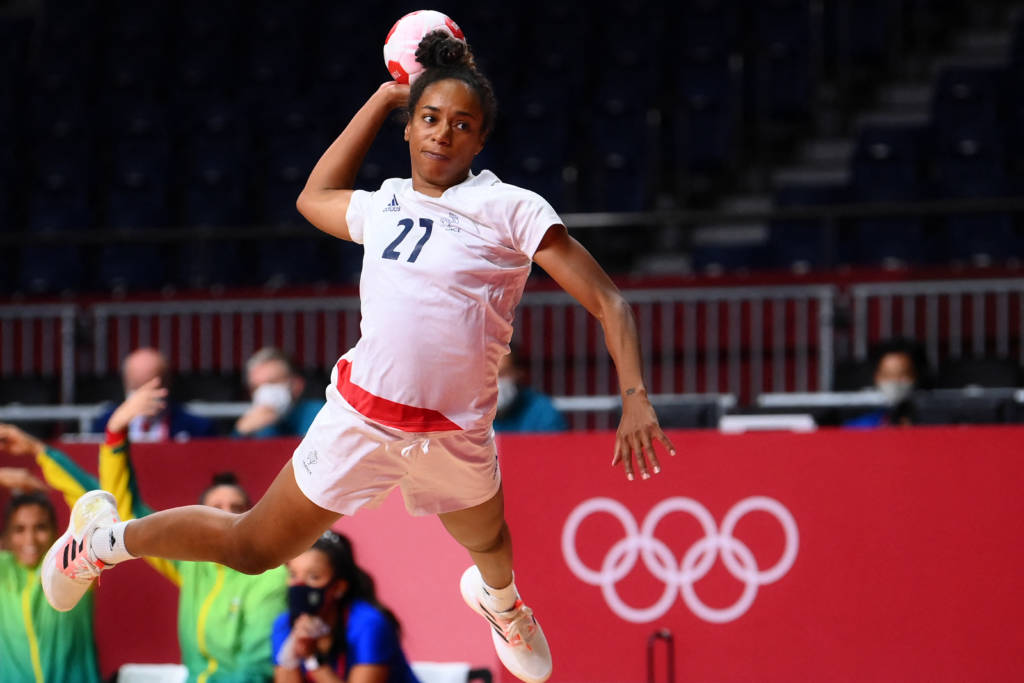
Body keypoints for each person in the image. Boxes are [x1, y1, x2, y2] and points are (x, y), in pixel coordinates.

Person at [40, 30, 675, 683]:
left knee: (488, 540)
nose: (442, 134)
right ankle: (100, 542)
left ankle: (502, 604)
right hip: (362, 419)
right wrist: (381, 99)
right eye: (429, 118)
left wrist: (634, 397)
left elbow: (609, 301)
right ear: (409, 126)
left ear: (481, 140)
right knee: (251, 546)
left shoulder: (510, 207)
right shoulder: (384, 203)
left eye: (461, 124)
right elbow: (312, 198)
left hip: (455, 431)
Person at [101, 379, 288, 681]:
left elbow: (255, 670)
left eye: (237, 507)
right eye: (216, 508)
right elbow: (129, 518)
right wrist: (115, 434)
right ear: (200, 522)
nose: (226, 515)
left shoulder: (270, 576)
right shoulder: (192, 563)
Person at [0, 424, 103, 683]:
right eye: (19, 529)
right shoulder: (3, 572)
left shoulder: (72, 565)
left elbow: (95, 504)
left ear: (57, 531)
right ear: (6, 538)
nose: (30, 540)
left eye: (40, 528)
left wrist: (38, 449)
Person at [272, 531, 418, 682]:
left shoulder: (368, 624)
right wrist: (291, 654)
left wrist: (313, 658)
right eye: (293, 575)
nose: (299, 585)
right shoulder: (284, 625)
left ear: (338, 587)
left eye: (313, 577)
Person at [91, 347, 216, 440]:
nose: (142, 396)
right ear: (125, 384)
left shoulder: (198, 428)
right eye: (137, 388)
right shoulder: (104, 424)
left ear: (167, 383)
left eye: (150, 387)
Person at [235, 348, 324, 438]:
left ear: (297, 385)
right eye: (255, 387)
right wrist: (241, 432)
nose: (263, 392)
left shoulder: (318, 413)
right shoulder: (247, 424)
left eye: (272, 382)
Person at [844, 338, 924, 428]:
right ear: (876, 377)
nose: (895, 381)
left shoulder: (930, 423)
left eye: (902, 374)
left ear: (916, 375)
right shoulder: (859, 427)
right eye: (887, 375)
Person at [493, 346, 567, 433]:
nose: (494, 381)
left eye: (503, 374)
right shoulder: (477, 414)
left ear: (518, 374)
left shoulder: (542, 413)